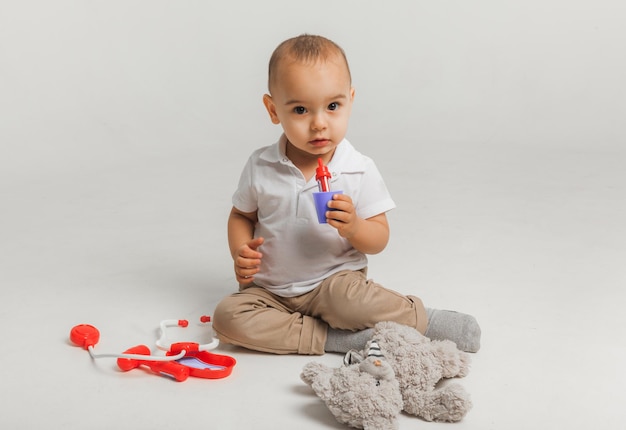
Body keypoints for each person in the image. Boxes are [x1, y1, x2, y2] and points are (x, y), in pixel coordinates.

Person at [212, 34, 481, 355]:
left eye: (333, 106)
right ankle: (335, 339)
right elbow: (242, 215)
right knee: (227, 318)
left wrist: (354, 226)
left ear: (350, 100)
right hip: (269, 290)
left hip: (334, 282)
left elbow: (379, 238)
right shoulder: (261, 165)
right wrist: (240, 250)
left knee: (352, 303)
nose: (319, 124)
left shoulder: (358, 169)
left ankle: (423, 319)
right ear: (273, 110)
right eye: (300, 109)